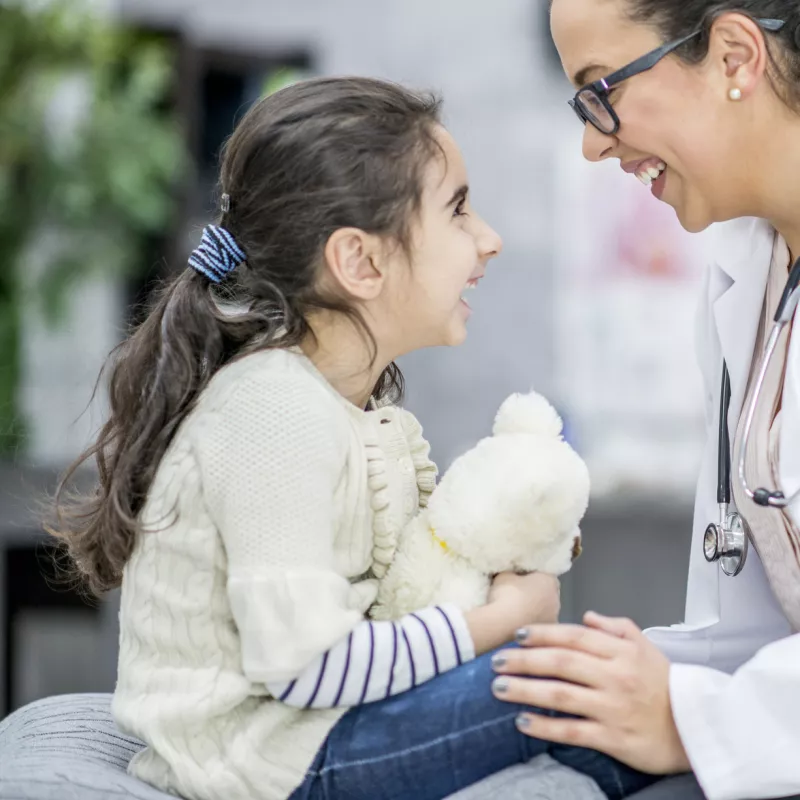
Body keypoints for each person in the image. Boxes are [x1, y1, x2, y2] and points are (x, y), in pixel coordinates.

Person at [49, 76, 658, 800]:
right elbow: (306, 667)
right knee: (561, 690)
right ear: (361, 262)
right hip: (266, 761)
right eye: (459, 210)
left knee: (595, 678)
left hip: (309, 736)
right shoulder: (273, 413)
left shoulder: (353, 410)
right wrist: (497, 623)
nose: (489, 238)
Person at [480, 2, 800, 799]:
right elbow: (750, 631)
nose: (592, 143)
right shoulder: (745, 272)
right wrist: (615, 676)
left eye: (601, 91)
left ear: (733, 57)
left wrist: (694, 717)